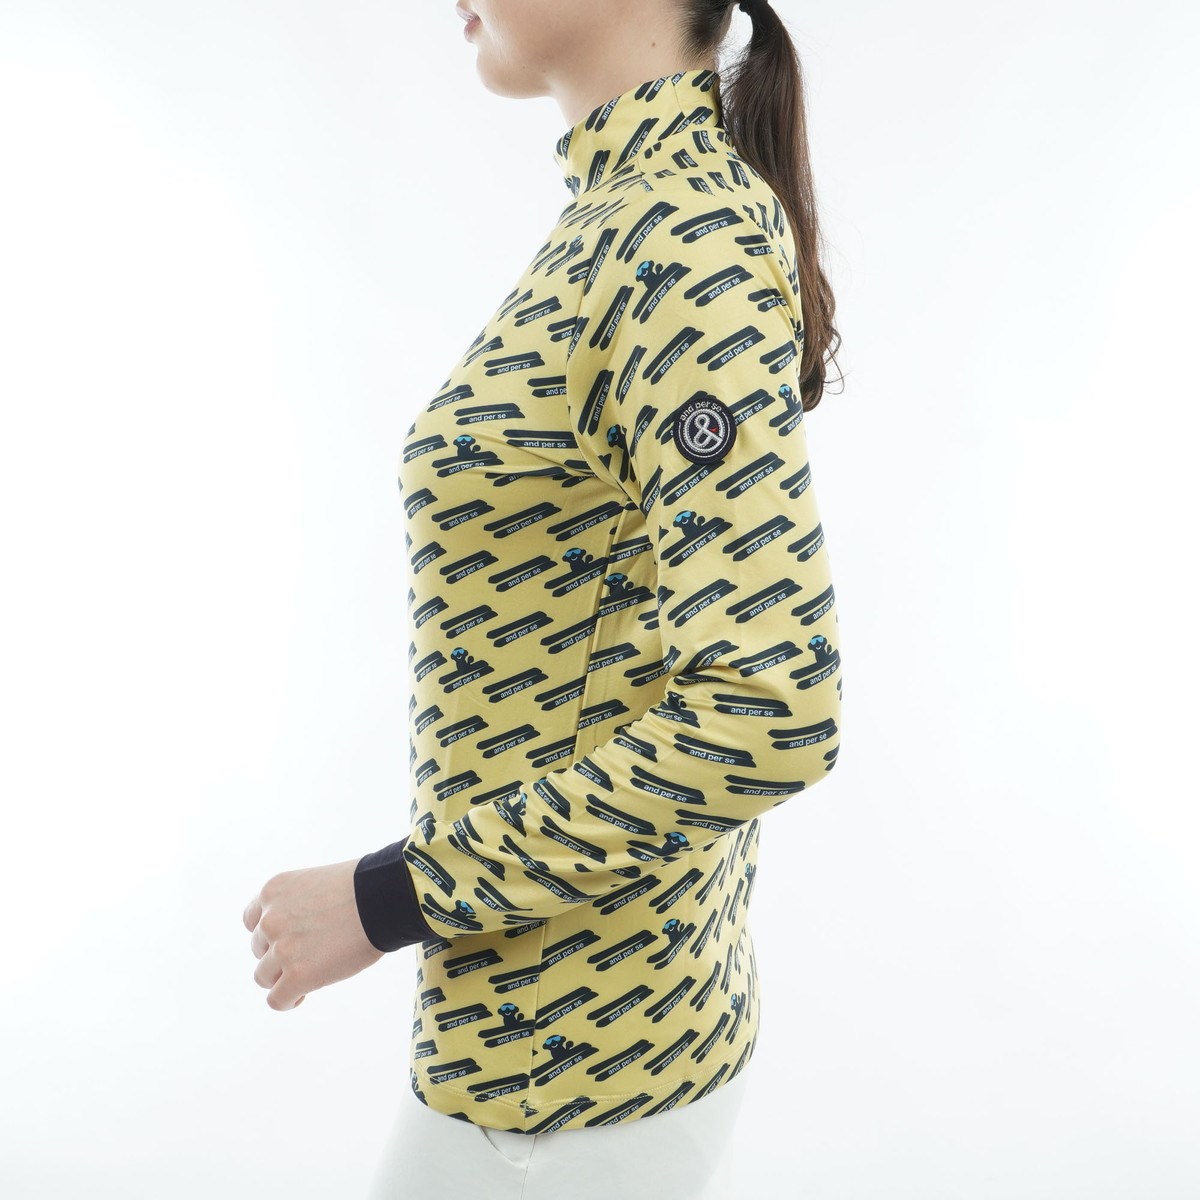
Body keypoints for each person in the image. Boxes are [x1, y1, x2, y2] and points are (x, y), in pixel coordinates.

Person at [242, 1, 845, 1195]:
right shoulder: (627, 217)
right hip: (538, 1068)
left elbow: (771, 709)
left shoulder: (681, 238)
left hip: (573, 1096)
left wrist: (387, 897)